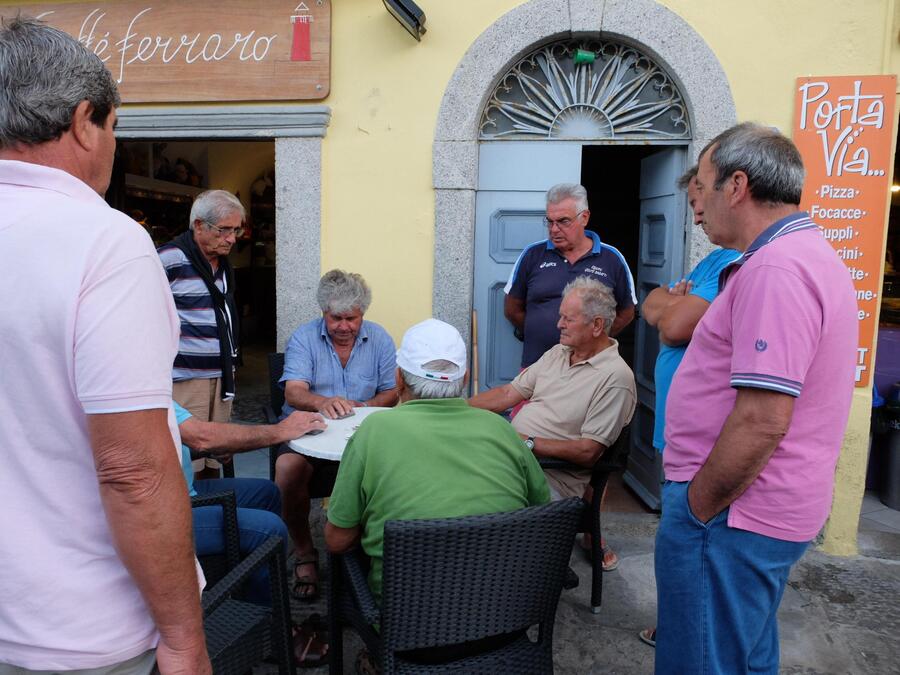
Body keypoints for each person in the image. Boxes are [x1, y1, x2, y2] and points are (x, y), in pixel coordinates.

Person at [0, 16, 209, 675]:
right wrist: (182, 639)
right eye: (117, 128)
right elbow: (132, 469)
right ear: (86, 119)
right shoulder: (104, 241)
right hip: (74, 629)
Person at [655, 123, 857, 674]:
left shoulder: (776, 268)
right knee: (742, 655)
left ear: (736, 185)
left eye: (703, 184)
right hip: (752, 514)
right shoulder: (799, 254)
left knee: (701, 660)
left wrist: (697, 508)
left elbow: (763, 420)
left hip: (732, 515)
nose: (697, 202)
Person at [325, 318, 549, 605]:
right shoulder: (503, 430)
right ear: (465, 379)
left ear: (398, 379)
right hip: (502, 617)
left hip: (406, 629)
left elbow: (336, 540)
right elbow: (539, 510)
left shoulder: (373, 432)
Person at [636, 166, 741, 648]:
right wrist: (667, 304)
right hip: (678, 431)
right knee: (674, 537)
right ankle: (677, 617)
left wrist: (670, 310)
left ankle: (683, 628)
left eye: (700, 195)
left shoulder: (733, 267)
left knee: (691, 542)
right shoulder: (712, 261)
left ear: (730, 190)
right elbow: (651, 304)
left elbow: (674, 327)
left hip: (705, 441)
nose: (695, 211)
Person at [470, 277, 635, 570]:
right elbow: (509, 393)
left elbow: (588, 452)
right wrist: (452, 408)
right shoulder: (558, 353)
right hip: (514, 460)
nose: (558, 324)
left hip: (550, 480)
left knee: (471, 494)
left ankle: (498, 580)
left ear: (597, 325)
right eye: (561, 316)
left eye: (567, 319)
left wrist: (526, 443)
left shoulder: (615, 378)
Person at [175, 404, 330, 667]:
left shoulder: (146, 377)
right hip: (166, 511)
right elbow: (201, 435)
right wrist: (282, 430)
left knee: (267, 493)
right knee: (270, 530)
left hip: (183, 489)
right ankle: (272, 636)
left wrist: (207, 446)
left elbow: (172, 437)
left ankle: (258, 610)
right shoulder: (128, 380)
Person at [277, 269, 399, 601]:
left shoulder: (380, 338)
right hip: (310, 437)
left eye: (352, 318)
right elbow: (293, 392)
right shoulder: (304, 338)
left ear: (363, 314)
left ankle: (367, 553)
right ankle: (305, 553)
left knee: (395, 469)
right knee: (288, 471)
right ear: (323, 313)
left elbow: (392, 392)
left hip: (362, 437)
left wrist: (367, 405)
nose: (344, 326)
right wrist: (323, 402)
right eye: (336, 318)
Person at [158, 189, 245, 479]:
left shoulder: (222, 265)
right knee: (187, 458)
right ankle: (191, 519)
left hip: (220, 377)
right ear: (198, 225)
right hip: (186, 378)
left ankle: (217, 513)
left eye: (236, 230)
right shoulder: (170, 259)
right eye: (224, 230)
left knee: (215, 457)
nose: (231, 238)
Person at [504, 183, 637, 369]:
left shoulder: (612, 259)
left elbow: (626, 312)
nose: (554, 229)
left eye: (563, 221)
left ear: (584, 217)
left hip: (590, 368)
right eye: (550, 221)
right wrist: (539, 330)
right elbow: (512, 309)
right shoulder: (532, 255)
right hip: (536, 366)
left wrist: (594, 337)